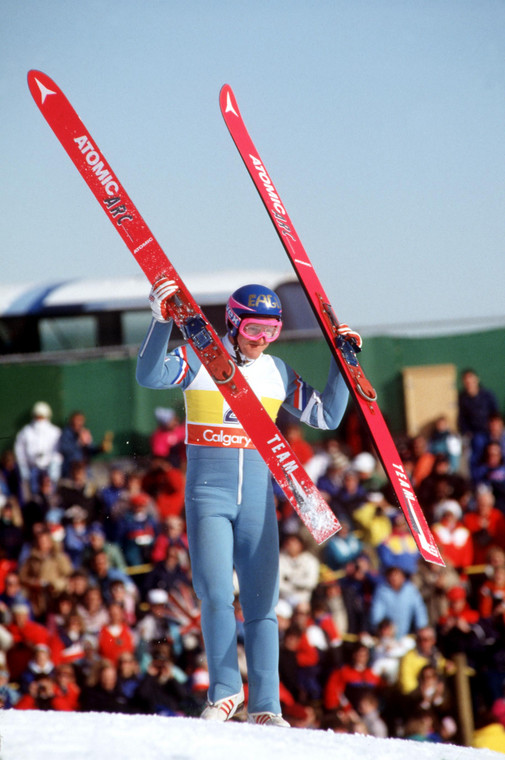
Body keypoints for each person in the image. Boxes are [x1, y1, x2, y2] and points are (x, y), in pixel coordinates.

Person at [136, 279, 356, 726]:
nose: (262, 342)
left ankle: (266, 707)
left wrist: (343, 361)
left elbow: (327, 415)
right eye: (255, 330)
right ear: (234, 323)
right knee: (215, 594)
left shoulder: (275, 371)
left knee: (261, 605)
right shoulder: (202, 358)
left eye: (272, 332)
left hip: (257, 501)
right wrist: (160, 322)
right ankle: (224, 694)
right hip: (208, 497)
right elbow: (149, 375)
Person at [14, 401, 62, 501]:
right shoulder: (26, 431)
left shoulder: (55, 431)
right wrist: (24, 468)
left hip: (49, 468)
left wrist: (54, 468)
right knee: (35, 495)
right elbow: (19, 451)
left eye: (42, 417)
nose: (40, 420)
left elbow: (58, 452)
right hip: (33, 468)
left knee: (51, 494)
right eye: (37, 417)